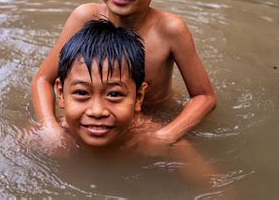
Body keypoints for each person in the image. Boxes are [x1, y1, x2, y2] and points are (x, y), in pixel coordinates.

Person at [32, 0, 216, 145]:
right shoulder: (83, 18)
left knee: (182, 151)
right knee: (29, 138)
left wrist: (165, 135)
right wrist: (49, 126)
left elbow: (204, 97)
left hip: (150, 119)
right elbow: (43, 80)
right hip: (95, 114)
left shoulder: (170, 30)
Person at [53, 19, 216, 187]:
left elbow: (217, 191)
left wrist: (164, 139)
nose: (97, 111)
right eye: (81, 93)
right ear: (61, 93)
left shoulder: (158, 142)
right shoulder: (50, 137)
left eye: (114, 94)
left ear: (139, 97)